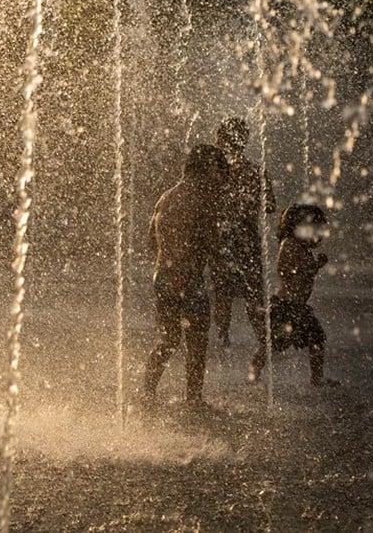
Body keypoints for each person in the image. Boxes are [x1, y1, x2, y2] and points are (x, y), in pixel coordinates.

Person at [141, 144, 227, 413]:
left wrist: (170, 264)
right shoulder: (202, 199)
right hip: (187, 279)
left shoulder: (166, 197)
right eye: (218, 171)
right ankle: (193, 399)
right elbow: (212, 244)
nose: (221, 178)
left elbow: (150, 242)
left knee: (168, 340)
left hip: (164, 276)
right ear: (207, 170)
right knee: (197, 342)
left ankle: (147, 393)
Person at [248, 204, 338, 387]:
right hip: (285, 306)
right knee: (271, 343)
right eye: (313, 228)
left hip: (295, 306)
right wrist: (315, 266)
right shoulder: (289, 244)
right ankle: (253, 374)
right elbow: (289, 269)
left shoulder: (299, 246)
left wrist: (314, 265)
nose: (316, 234)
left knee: (314, 338)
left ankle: (316, 377)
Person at [210, 117, 275, 346]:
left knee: (223, 291)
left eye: (218, 137)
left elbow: (206, 204)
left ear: (224, 140)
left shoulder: (215, 175)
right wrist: (248, 201)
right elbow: (270, 206)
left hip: (223, 240)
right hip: (248, 239)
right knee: (253, 291)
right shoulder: (255, 172)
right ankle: (262, 338)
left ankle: (223, 337)